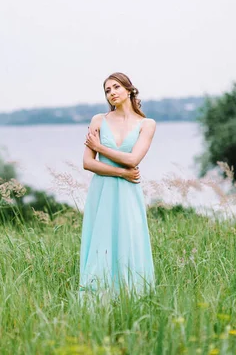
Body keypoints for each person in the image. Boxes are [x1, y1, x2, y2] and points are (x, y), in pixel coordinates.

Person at [78, 72, 156, 301]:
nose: (111, 93)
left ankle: (132, 298)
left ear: (129, 89)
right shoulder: (98, 121)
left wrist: (100, 148)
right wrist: (121, 172)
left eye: (116, 87)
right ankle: (97, 299)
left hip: (128, 193)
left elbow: (133, 160)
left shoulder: (147, 124)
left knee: (129, 239)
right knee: (101, 240)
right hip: (102, 192)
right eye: (107, 90)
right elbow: (87, 163)